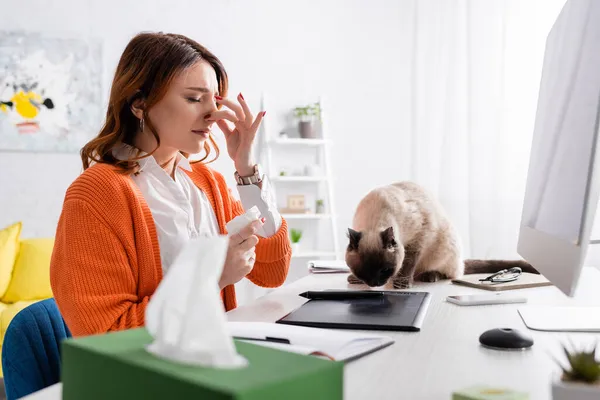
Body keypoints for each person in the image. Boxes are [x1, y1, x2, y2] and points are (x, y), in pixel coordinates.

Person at [50, 32, 292, 337]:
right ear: (139, 104)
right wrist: (211, 277)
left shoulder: (208, 183)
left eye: (214, 100)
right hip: (151, 378)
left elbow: (273, 271)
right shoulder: (95, 195)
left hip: (214, 360)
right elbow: (104, 333)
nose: (212, 114)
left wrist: (246, 168)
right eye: (194, 98)